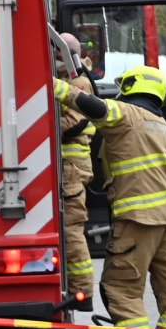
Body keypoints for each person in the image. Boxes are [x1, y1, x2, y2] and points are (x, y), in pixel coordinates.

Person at [54, 64, 166, 329]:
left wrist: (54, 86)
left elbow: (94, 106)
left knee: (121, 286)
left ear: (131, 87)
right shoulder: (161, 123)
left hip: (138, 218)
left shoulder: (128, 114)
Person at [55, 32, 96, 307]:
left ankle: (82, 292)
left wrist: (40, 126)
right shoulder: (70, 78)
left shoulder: (78, 82)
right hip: (69, 165)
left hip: (72, 166)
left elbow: (75, 123)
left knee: (71, 229)